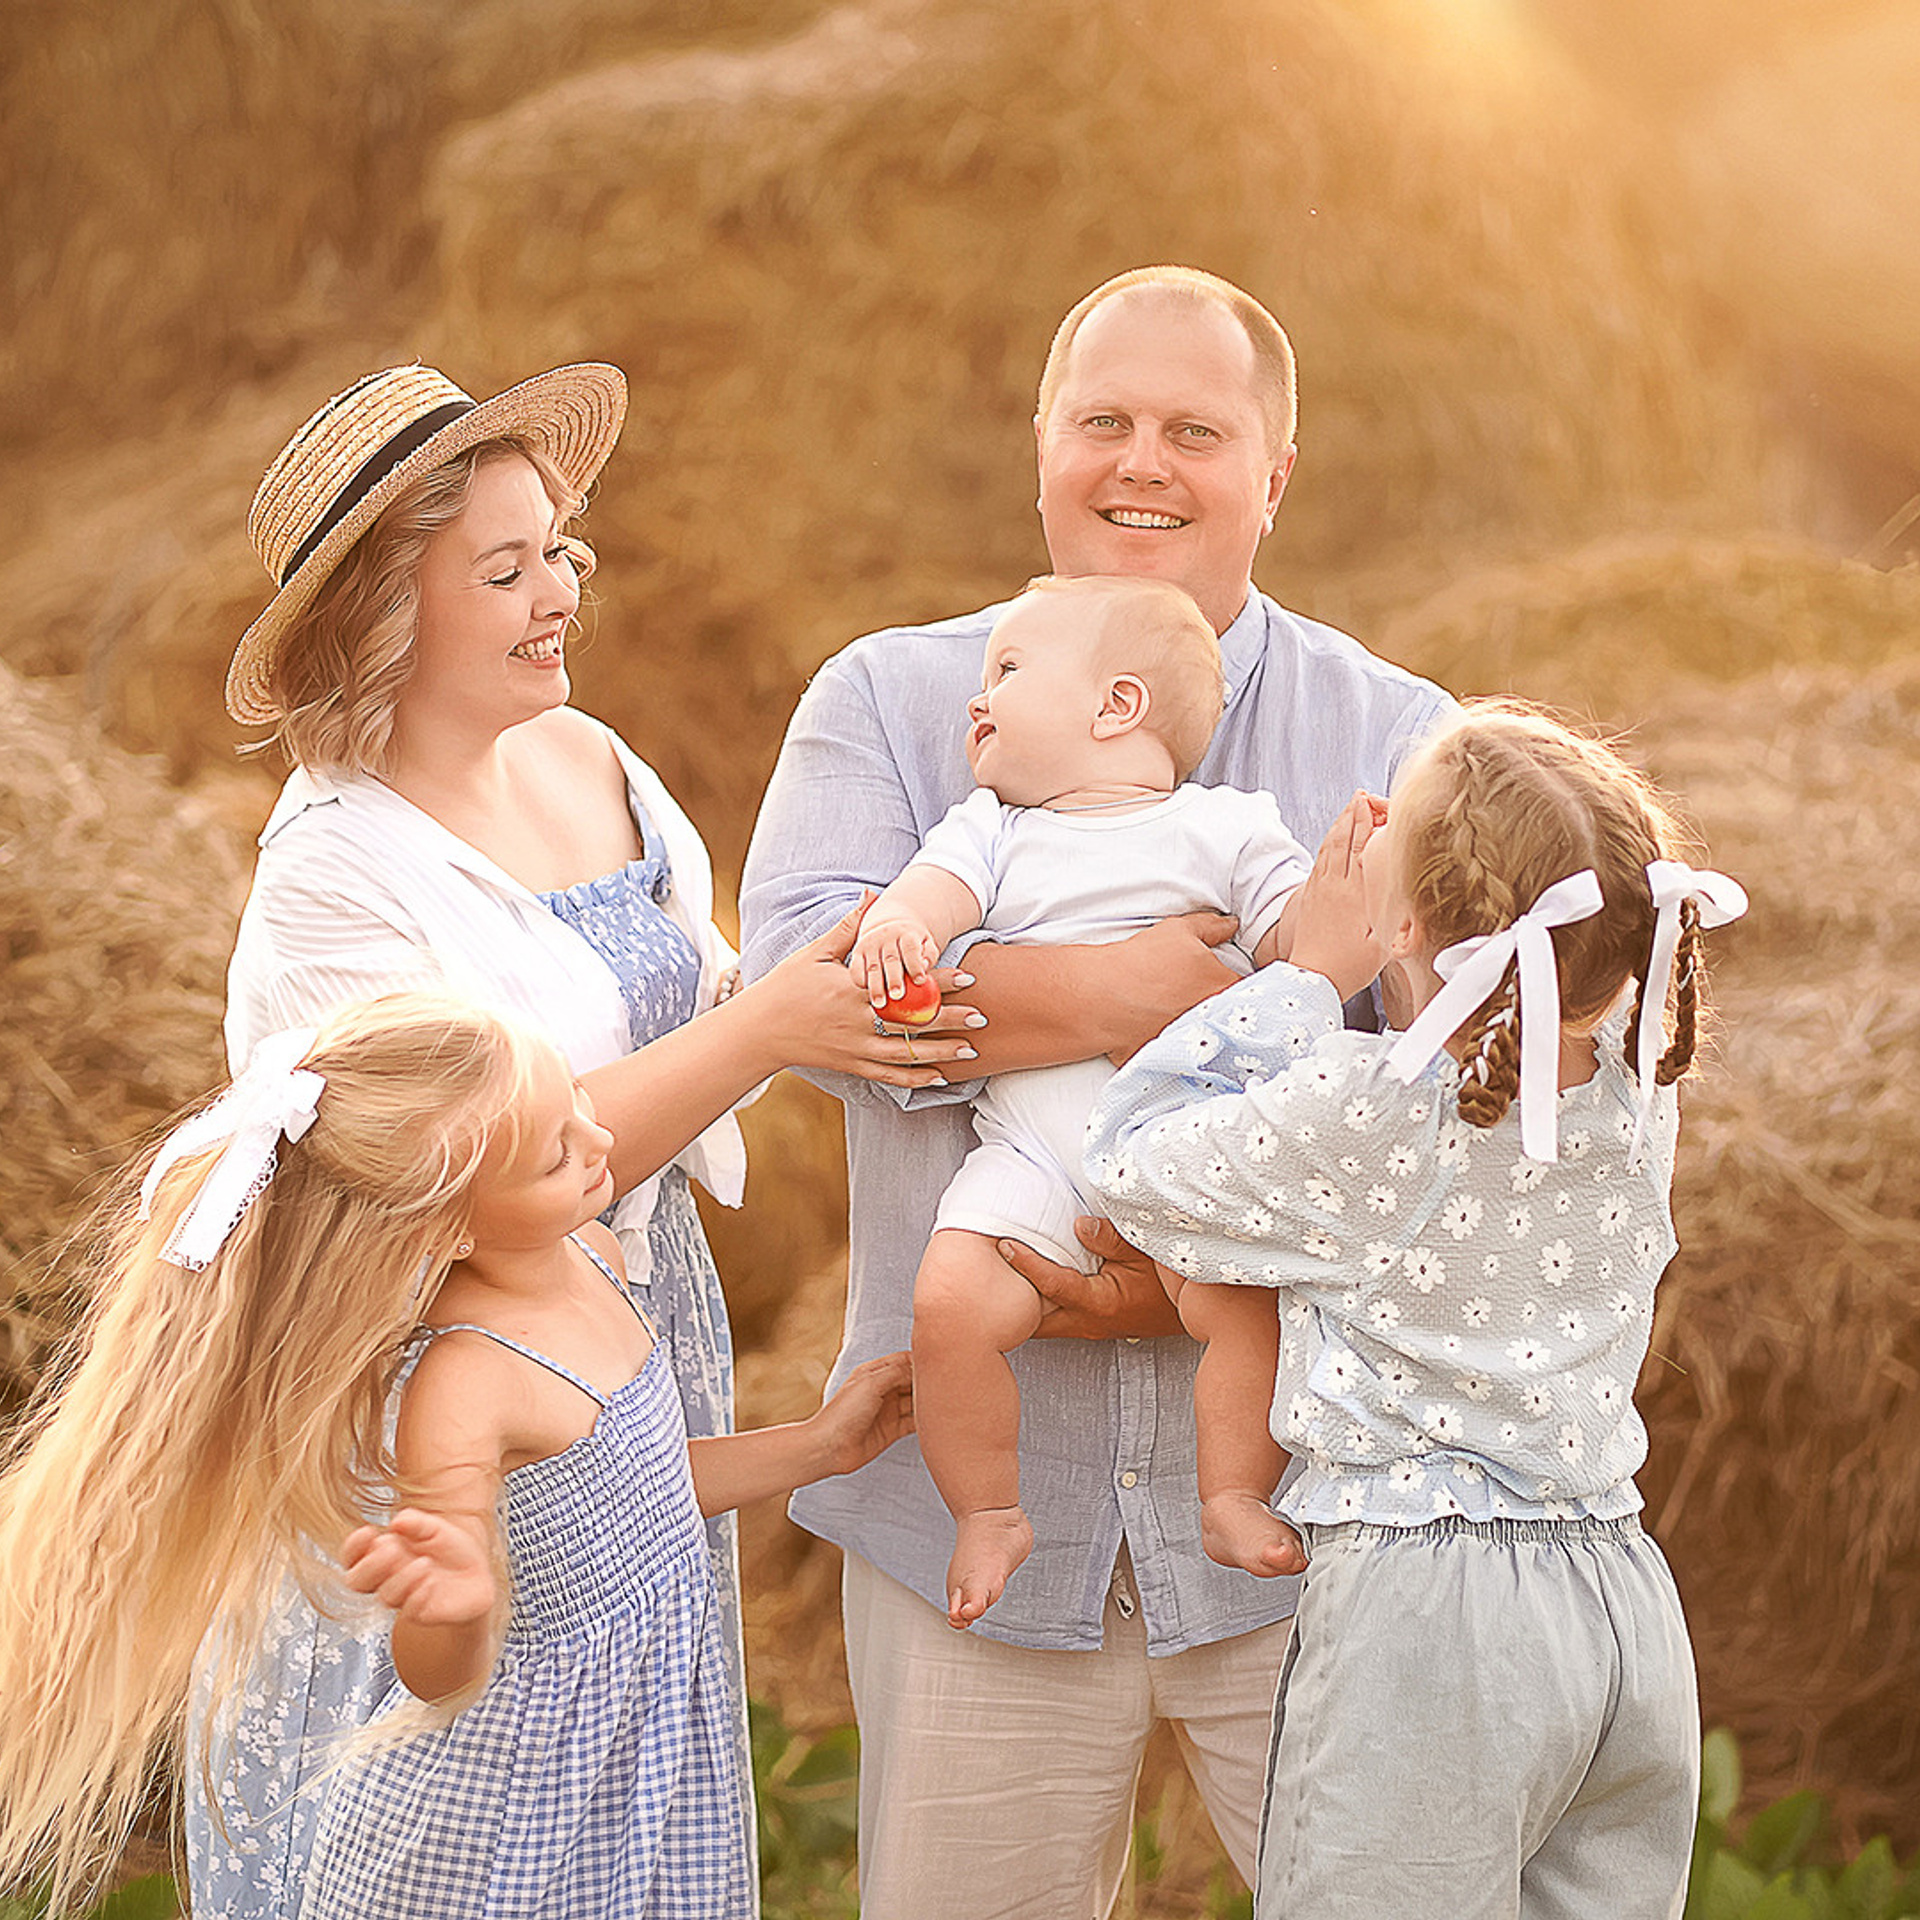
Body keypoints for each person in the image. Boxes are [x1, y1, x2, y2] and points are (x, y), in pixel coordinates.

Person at [203, 362, 972, 1918]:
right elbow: (480, 1163)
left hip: (631, 1319)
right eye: (503, 569)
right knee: (487, 1795)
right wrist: (767, 1035)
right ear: (380, 618)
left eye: (560, 549)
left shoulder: (589, 755)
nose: (558, 591)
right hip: (468, 1365)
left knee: (626, 1768)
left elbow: (704, 988)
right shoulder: (333, 883)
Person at [738, 264, 1456, 1915]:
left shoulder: (1400, 733)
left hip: (1313, 1512)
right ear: (1041, 445)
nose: (1143, 462)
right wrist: (1155, 991)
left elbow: (1443, 1085)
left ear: (1275, 473)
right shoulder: (897, 704)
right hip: (972, 1529)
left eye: (1196, 430)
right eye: (1103, 421)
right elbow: (806, 999)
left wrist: (1166, 1262)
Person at [0, 994, 915, 1920]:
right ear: (452, 1228)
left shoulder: (591, 1255)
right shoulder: (465, 1382)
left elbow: (636, 1497)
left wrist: (815, 1446)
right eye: (557, 1153)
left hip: (634, 1760)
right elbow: (437, 1673)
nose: (599, 1141)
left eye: (578, 1106)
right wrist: (455, 1604)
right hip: (509, 1817)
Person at [1084, 704, 1747, 1918]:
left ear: (1409, 914)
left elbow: (1128, 1161)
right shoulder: (1638, 1097)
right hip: (1620, 1603)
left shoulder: (1380, 1114)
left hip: (1431, 1622)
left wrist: (1305, 977)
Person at [850, 573, 1311, 1628]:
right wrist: (898, 930)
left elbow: (1296, 940)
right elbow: (930, 894)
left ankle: (1232, 1491)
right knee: (947, 1306)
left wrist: (1327, 910)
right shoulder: (992, 829)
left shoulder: (1226, 827)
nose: (979, 697)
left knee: (1245, 1309)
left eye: (1007, 670)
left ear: (1117, 707)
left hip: (1189, 1141)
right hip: (1032, 1151)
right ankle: (990, 1508)